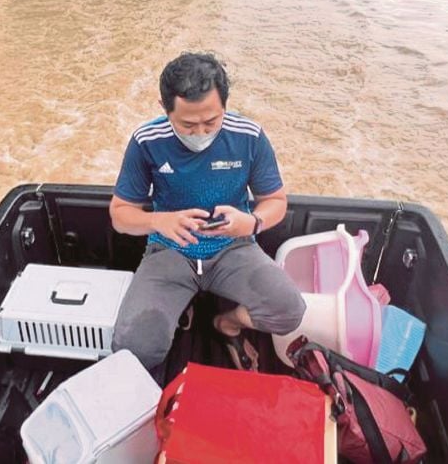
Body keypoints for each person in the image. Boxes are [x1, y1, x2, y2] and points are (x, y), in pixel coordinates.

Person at [110, 53, 306, 379]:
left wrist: (251, 223)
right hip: (169, 249)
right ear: (165, 107)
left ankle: (226, 323)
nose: (200, 132)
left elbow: (275, 201)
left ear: (224, 107)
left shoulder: (249, 136)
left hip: (233, 247)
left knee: (289, 311)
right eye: (187, 124)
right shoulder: (147, 141)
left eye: (211, 121)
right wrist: (158, 221)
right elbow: (119, 214)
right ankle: (176, 307)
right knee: (134, 349)